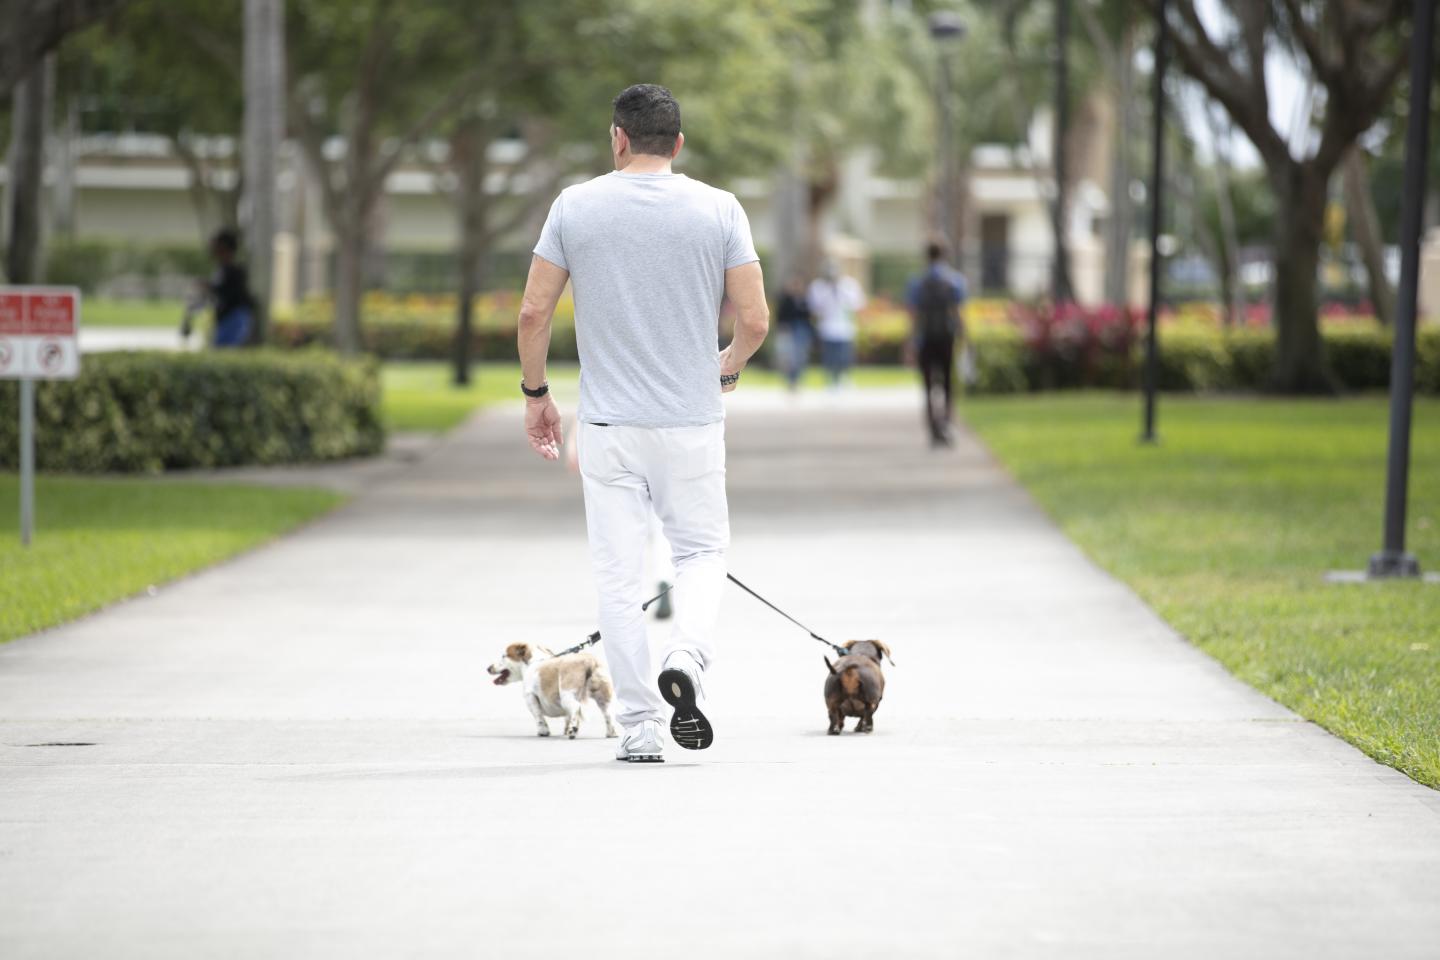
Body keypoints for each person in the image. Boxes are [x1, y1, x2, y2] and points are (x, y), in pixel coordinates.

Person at [517, 83, 769, 764]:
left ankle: (639, 726)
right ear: (678, 144)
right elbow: (754, 320)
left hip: (607, 426)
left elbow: (534, 313)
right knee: (701, 552)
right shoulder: (720, 209)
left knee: (620, 578)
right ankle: (686, 656)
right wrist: (729, 364)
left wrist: (537, 393)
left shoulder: (576, 206)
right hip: (691, 420)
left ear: (618, 139)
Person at [905, 241, 968, 446]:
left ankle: (932, 425)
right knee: (948, 382)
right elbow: (958, 314)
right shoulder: (955, 281)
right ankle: (946, 422)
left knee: (928, 385)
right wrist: (965, 338)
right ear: (945, 255)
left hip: (926, 339)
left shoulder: (917, 282)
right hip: (946, 338)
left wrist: (910, 342)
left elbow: (913, 316)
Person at [807, 260, 864, 387]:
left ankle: (844, 378)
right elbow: (815, 308)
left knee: (845, 356)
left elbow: (857, 304)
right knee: (830, 357)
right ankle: (831, 381)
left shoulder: (849, 285)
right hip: (827, 328)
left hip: (845, 328)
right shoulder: (818, 287)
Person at [201, 228, 256, 347]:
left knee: (226, 350)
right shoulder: (222, 269)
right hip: (226, 318)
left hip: (234, 317)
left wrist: (210, 287)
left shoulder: (234, 270)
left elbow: (231, 293)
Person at [775, 274, 814, 391]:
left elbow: (808, 316)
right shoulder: (785, 300)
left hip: (801, 330)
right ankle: (789, 379)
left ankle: (797, 379)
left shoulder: (804, 300)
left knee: (800, 356)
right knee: (788, 357)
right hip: (788, 329)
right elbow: (781, 316)